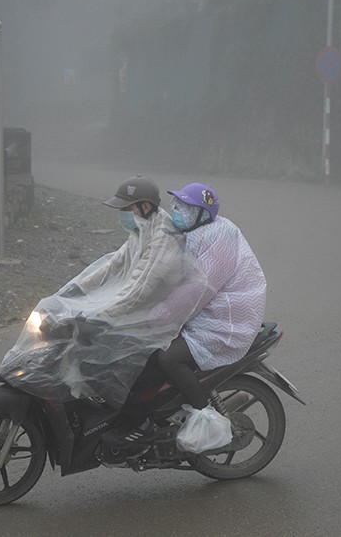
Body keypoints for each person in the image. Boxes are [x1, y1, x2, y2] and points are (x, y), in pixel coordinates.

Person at [0, 175, 207, 409]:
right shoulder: (143, 229)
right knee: (76, 338)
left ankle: (131, 422)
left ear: (144, 206)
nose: (121, 214)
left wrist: (103, 319)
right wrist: (71, 291)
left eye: (125, 208)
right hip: (135, 310)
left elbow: (138, 289)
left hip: (152, 319)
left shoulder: (163, 239)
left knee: (96, 357)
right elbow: (111, 267)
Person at [102, 182, 266, 447]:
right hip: (205, 315)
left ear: (203, 214)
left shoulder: (219, 237)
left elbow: (197, 291)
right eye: (177, 204)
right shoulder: (192, 232)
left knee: (168, 358)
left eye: (186, 207)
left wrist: (156, 317)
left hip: (224, 323)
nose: (177, 210)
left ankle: (203, 416)